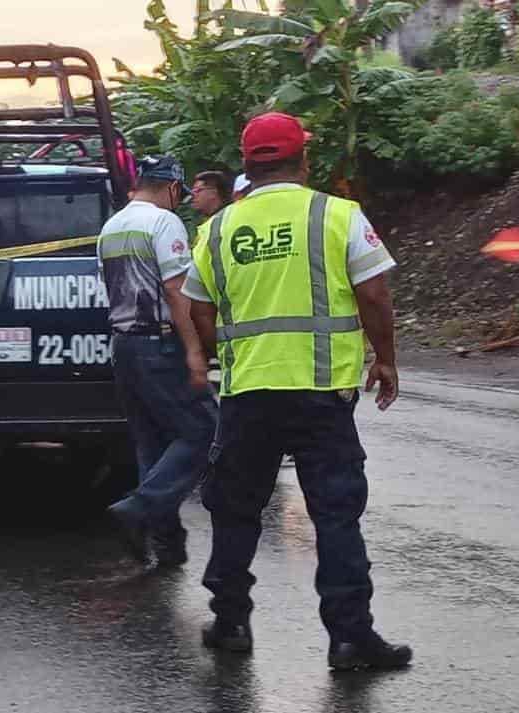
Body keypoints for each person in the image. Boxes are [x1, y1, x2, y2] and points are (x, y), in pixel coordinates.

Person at [182, 112, 413, 671]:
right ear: (302, 159)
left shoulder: (216, 229)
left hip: (248, 393)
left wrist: (228, 356)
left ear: (247, 164)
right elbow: (375, 294)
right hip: (321, 392)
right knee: (335, 514)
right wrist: (385, 358)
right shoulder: (336, 215)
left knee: (236, 510)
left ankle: (231, 621)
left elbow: (199, 308)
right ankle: (351, 637)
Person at [99, 156, 220, 568]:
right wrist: (194, 351)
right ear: (171, 188)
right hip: (160, 344)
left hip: (124, 347)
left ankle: (165, 543)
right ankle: (139, 510)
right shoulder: (163, 222)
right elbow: (175, 291)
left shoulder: (112, 225)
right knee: (204, 429)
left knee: (152, 443)